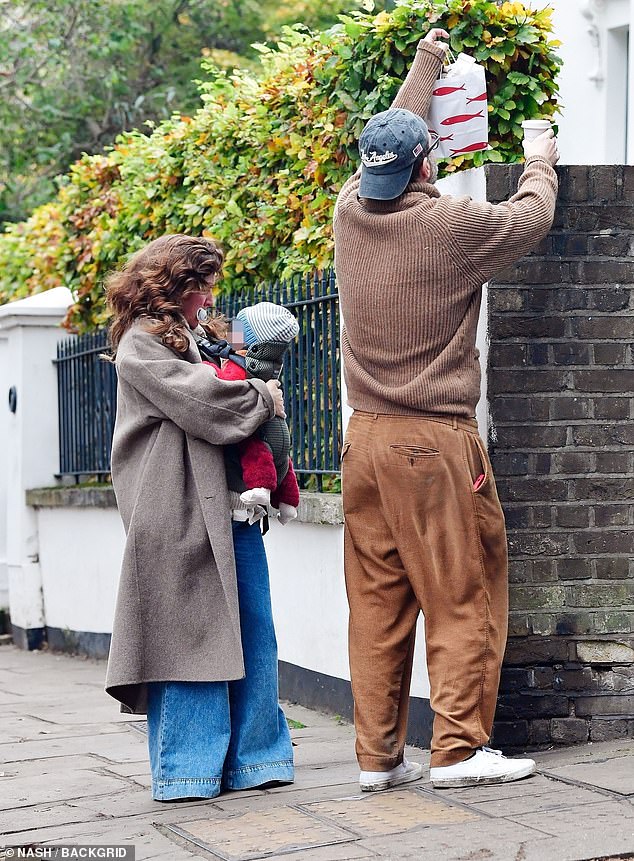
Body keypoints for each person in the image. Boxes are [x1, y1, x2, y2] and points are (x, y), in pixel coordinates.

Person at [333, 28, 559, 791]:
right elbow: (529, 220)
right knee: (463, 590)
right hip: (434, 441)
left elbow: (392, 138)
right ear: (426, 165)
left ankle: (378, 758)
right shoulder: (450, 228)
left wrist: (425, 63)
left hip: (363, 440)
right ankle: (460, 750)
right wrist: (539, 160)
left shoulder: (347, 212)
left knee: (376, 603)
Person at [104, 234, 294, 801]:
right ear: (172, 286)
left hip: (231, 511)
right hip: (177, 512)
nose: (210, 297)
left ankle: (258, 762)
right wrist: (265, 396)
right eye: (201, 286)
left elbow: (224, 385)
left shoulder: (199, 334)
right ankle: (188, 770)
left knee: (255, 634)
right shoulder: (141, 345)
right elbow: (207, 403)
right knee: (188, 642)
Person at [198, 301, 301, 525]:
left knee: (254, 449)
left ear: (251, 341)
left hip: (258, 434)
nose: (231, 331)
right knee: (285, 462)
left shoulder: (240, 364)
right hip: (278, 432)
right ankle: (288, 503)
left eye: (238, 329)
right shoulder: (269, 367)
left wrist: (210, 370)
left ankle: (261, 488)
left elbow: (226, 387)